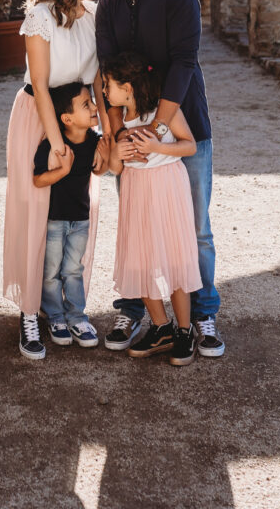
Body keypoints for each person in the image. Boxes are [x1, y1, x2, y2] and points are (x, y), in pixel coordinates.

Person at [96, 0, 225, 358]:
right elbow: (107, 72)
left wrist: (156, 128)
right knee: (138, 227)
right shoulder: (109, 3)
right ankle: (143, 314)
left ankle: (202, 315)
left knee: (196, 230)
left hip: (185, 124)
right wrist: (117, 136)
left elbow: (184, 62)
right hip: (130, 133)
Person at [3, 0, 110, 360]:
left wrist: (103, 138)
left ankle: (69, 309)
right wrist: (55, 142)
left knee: (76, 212)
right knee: (36, 213)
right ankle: (31, 312)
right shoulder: (40, 17)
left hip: (81, 121)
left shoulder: (96, 16)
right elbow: (43, 86)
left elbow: (98, 84)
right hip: (39, 117)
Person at [104, 52, 201, 366]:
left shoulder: (164, 111)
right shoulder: (119, 116)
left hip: (168, 188)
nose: (104, 91)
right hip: (137, 191)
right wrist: (116, 152)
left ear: (128, 87)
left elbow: (190, 145)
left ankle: (184, 331)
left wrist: (157, 146)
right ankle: (161, 327)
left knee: (174, 258)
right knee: (141, 259)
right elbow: (116, 169)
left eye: (108, 85)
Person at [33, 82, 110, 350]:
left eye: (91, 102)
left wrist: (108, 150)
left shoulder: (95, 141)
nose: (93, 109)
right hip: (54, 220)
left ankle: (77, 317)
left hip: (81, 220)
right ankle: (55, 317)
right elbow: (38, 180)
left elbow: (104, 167)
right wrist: (62, 172)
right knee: (51, 271)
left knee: (74, 270)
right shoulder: (52, 146)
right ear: (66, 119)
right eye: (86, 105)